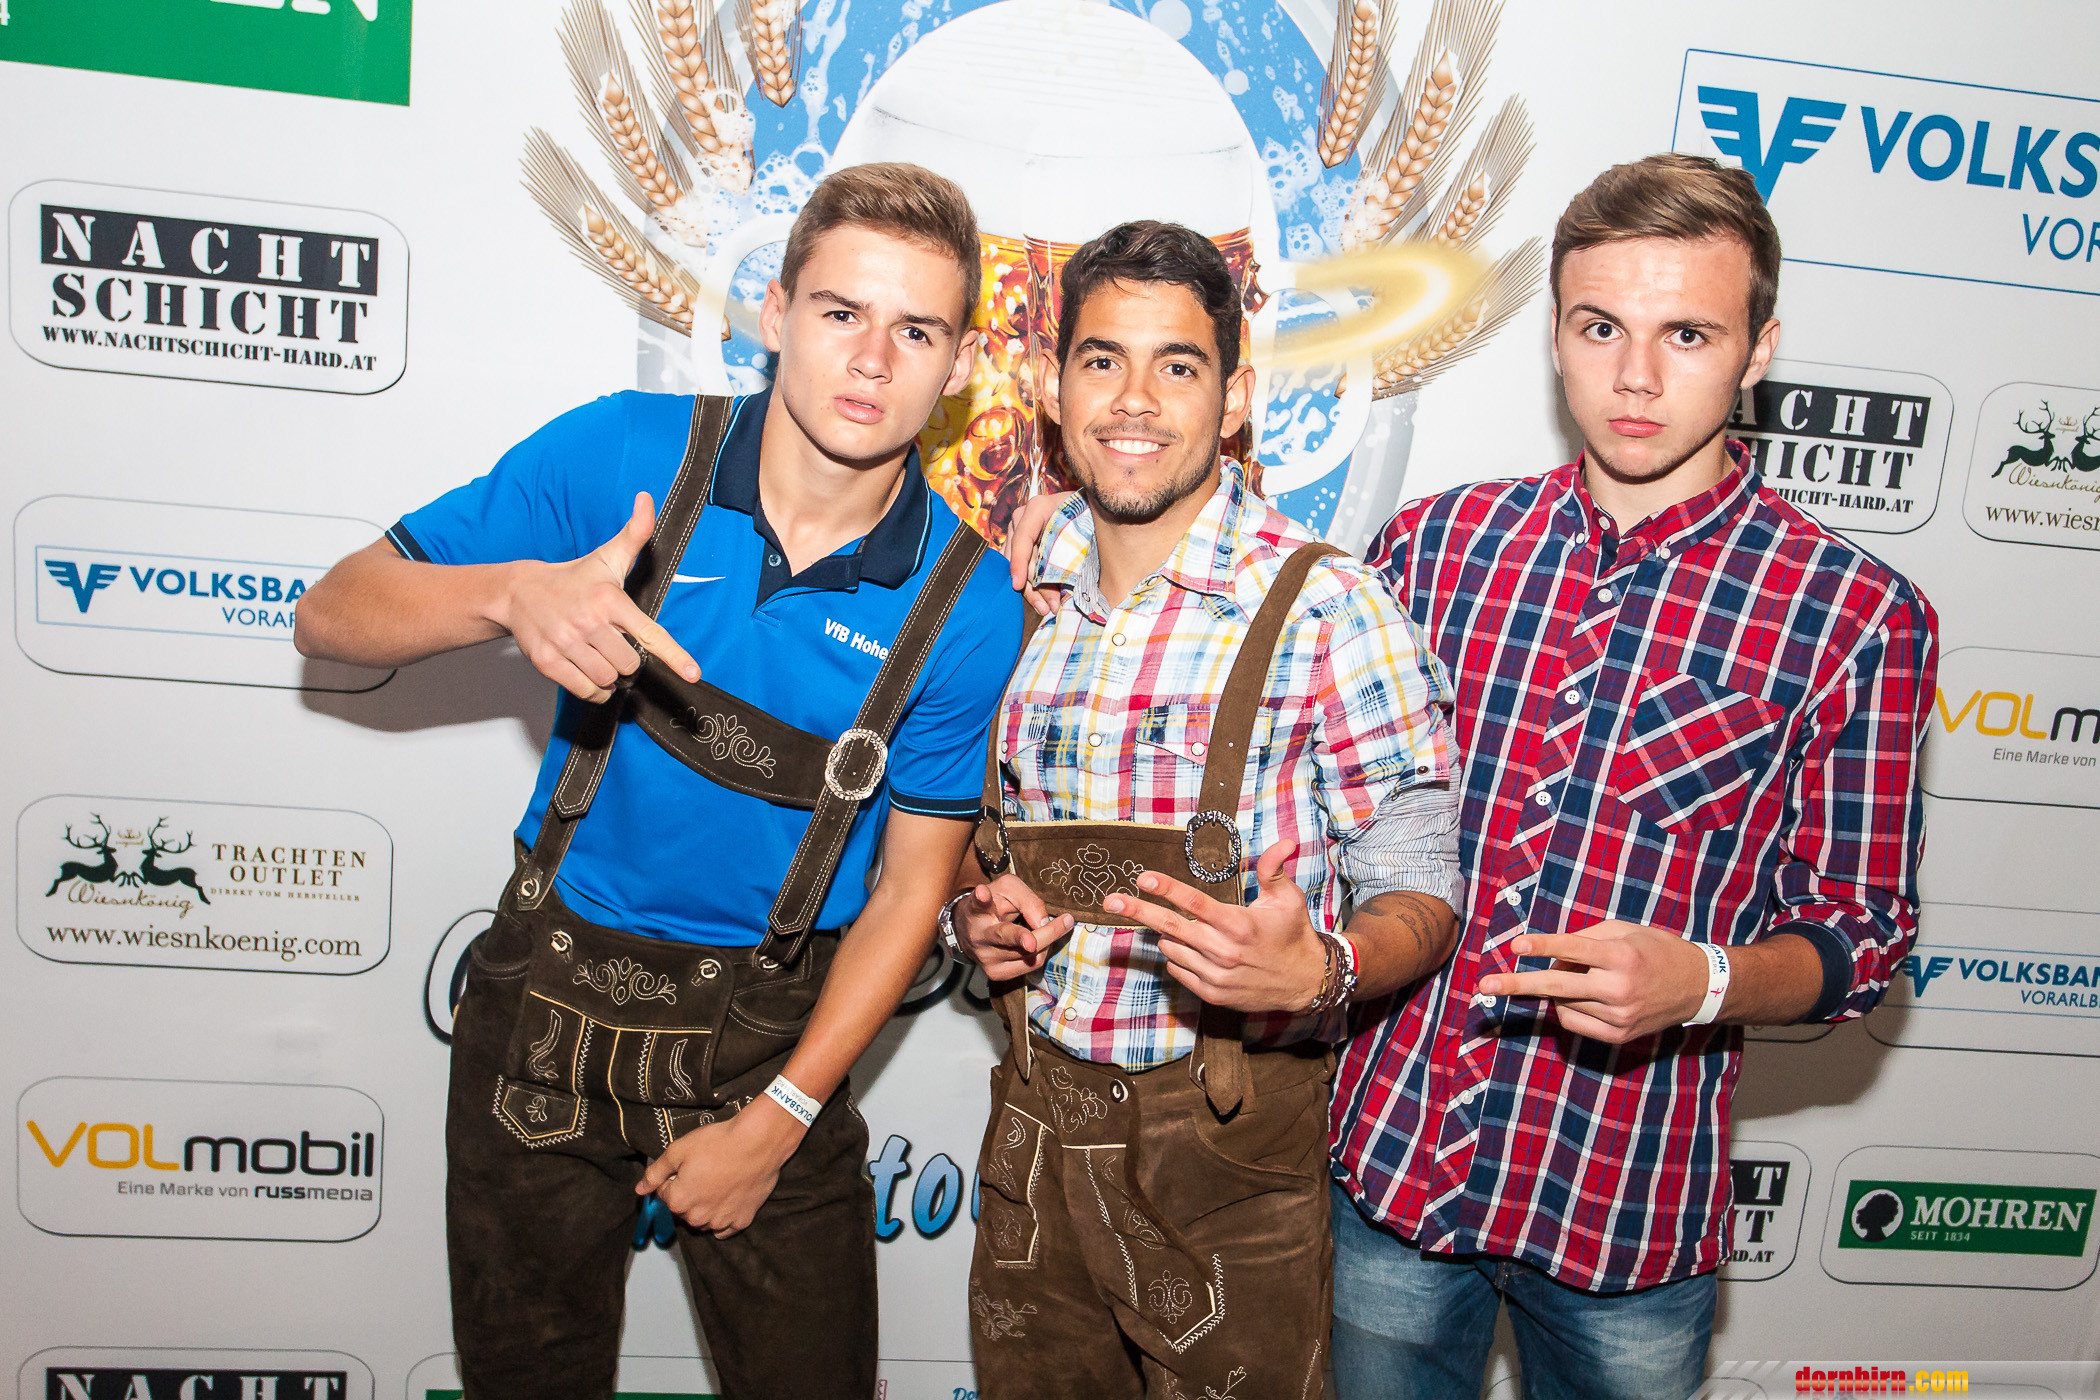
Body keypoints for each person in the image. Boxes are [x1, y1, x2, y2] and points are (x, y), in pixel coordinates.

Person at [294, 162, 1021, 1400]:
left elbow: (912, 891)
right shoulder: (627, 453)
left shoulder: (968, 602)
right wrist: (508, 594)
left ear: (958, 368)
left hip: (771, 1050)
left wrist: (782, 1115)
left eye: (916, 331)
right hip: (540, 1009)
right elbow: (332, 612)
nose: (871, 359)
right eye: (841, 311)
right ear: (776, 312)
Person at [1325, 154, 1938, 1398]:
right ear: (1555, 334)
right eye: (1600, 327)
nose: (1638, 376)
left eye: (1688, 333)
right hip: (1392, 1164)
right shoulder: (1433, 547)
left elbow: (1863, 930)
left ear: (1759, 351)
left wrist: (1704, 979)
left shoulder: (1858, 614)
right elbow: (1326, 814)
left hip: (1628, 1197)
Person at [946, 220, 1463, 1400]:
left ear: (1233, 399)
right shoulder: (1016, 589)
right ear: (1051, 387)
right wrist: (974, 919)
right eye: (1102, 359)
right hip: (1033, 1127)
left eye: (1177, 364)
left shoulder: (1332, 606)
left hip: (1226, 1150)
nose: (1135, 399)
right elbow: (976, 845)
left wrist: (1324, 968)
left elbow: (1424, 885)